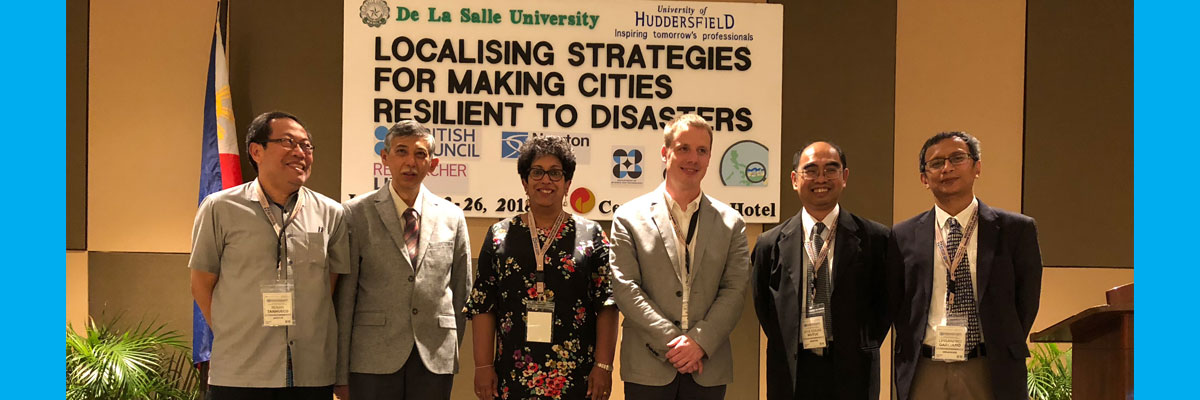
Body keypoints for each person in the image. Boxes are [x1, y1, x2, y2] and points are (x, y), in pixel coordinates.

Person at [189, 111, 349, 399]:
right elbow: (201, 283)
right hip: (241, 373)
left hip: (309, 373)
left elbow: (329, 288)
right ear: (256, 151)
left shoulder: (332, 213)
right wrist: (234, 332)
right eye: (288, 142)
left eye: (307, 145)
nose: (300, 152)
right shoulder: (219, 208)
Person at [888, 132, 1043, 400]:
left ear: (977, 167)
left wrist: (1001, 341)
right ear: (924, 178)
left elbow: (1027, 300)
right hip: (926, 369)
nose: (946, 168)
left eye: (957, 158)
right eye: (936, 163)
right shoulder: (902, 236)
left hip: (989, 367)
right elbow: (895, 301)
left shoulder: (1015, 230)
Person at [465, 135, 618, 400]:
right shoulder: (500, 234)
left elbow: (607, 304)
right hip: (513, 372)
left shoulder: (591, 235)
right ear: (524, 181)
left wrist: (603, 366)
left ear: (568, 183)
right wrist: (482, 366)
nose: (546, 180)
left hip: (577, 374)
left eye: (555, 173)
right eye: (537, 172)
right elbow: (483, 305)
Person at [609, 114, 750, 400]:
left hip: (706, 364)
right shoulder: (628, 217)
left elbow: (734, 290)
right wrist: (675, 343)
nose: (693, 159)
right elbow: (626, 289)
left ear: (710, 157)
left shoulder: (731, 222)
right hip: (648, 365)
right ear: (665, 153)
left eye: (702, 151)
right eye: (683, 148)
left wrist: (699, 342)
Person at [334, 120, 473, 400]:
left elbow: (461, 291)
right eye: (401, 151)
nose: (411, 162)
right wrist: (340, 371)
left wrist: (448, 348)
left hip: (434, 357)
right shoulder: (355, 213)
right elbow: (345, 296)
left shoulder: (452, 216)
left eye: (420, 154)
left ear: (433, 164)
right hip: (372, 357)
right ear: (385, 158)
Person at [751, 141, 891, 400]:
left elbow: (884, 307)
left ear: (845, 177)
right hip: (792, 372)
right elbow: (765, 307)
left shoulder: (875, 239)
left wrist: (858, 344)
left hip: (854, 371)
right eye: (811, 170)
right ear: (794, 179)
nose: (821, 179)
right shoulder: (769, 243)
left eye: (831, 170)